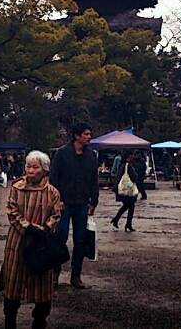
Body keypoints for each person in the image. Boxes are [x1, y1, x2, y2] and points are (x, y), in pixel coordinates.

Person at [1, 150, 61, 329]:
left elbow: (56, 215)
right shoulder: (16, 188)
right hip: (17, 242)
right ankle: (10, 319)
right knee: (12, 284)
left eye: (35, 167)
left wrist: (44, 230)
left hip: (41, 245)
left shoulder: (52, 192)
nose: (31, 170)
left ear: (44, 169)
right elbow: (12, 211)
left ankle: (40, 320)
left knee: (42, 286)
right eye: (28, 166)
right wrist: (27, 228)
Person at [49, 122, 99, 289]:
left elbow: (94, 180)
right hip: (65, 203)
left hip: (82, 204)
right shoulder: (62, 154)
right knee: (60, 237)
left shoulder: (91, 155)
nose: (89, 137)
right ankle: (55, 273)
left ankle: (75, 275)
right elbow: (54, 178)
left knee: (81, 240)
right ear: (77, 136)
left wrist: (93, 201)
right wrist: (58, 199)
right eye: (86, 134)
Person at [111, 150, 138, 232]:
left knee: (127, 206)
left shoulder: (121, 165)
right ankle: (127, 223)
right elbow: (134, 177)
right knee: (130, 206)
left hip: (121, 189)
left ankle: (117, 220)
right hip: (127, 190)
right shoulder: (128, 165)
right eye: (132, 155)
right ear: (129, 156)